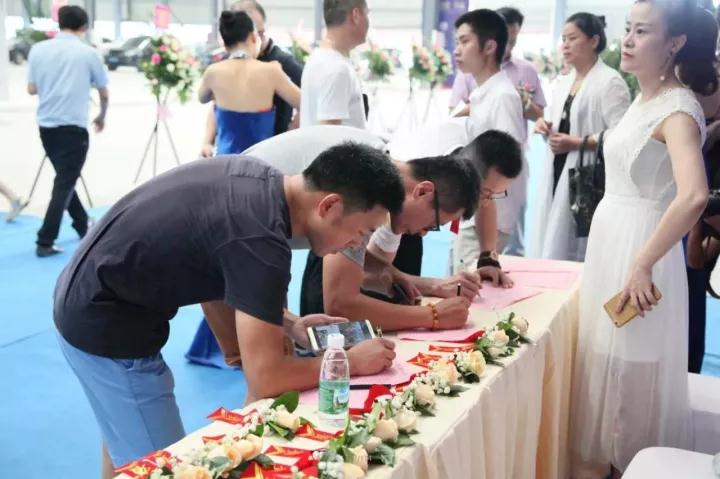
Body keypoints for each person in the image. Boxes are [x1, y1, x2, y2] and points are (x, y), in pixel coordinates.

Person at [54, 142, 403, 478]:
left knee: (125, 445)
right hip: (105, 324)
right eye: (362, 231)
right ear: (328, 205)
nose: (358, 244)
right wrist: (352, 363)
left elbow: (223, 263)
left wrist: (288, 323)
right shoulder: (261, 239)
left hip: (86, 291)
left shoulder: (261, 181)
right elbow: (266, 378)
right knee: (165, 468)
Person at [570, 1, 716, 477]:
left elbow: (693, 195)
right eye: (628, 29)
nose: (628, 40)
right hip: (612, 241)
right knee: (604, 370)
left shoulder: (678, 109)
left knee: (630, 382)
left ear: (674, 44)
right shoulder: (642, 97)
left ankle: (634, 467)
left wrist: (642, 262)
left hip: (641, 250)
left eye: (643, 31)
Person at [532, 13, 631, 262]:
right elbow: (563, 124)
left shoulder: (610, 82)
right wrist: (547, 127)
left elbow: (622, 134)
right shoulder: (564, 81)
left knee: (578, 245)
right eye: (563, 39)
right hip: (558, 166)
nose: (565, 45)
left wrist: (576, 142)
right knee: (553, 234)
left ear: (594, 41)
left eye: (572, 38)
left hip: (588, 175)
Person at [27, 5, 109, 257]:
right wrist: (102, 115)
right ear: (84, 27)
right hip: (73, 127)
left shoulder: (38, 50)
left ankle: (82, 223)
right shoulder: (88, 54)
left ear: (59, 23)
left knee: (66, 178)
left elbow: (31, 89)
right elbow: (103, 90)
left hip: (47, 126)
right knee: (64, 181)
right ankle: (45, 240)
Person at [450, 9, 525, 272]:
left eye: (464, 41)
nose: (457, 49)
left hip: (486, 219)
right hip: (475, 211)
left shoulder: (502, 97)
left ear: (489, 46)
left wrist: (488, 243)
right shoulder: (484, 93)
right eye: (457, 41)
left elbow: (508, 164)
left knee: (466, 290)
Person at [199, 0, 303, 157]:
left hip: (225, 163)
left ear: (226, 44)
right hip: (263, 161)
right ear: (253, 37)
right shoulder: (272, 70)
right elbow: (307, 103)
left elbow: (204, 99)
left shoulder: (214, 72)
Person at [300, 0, 369, 128]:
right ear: (356, 16)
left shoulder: (317, 59)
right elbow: (329, 139)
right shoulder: (337, 68)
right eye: (367, 14)